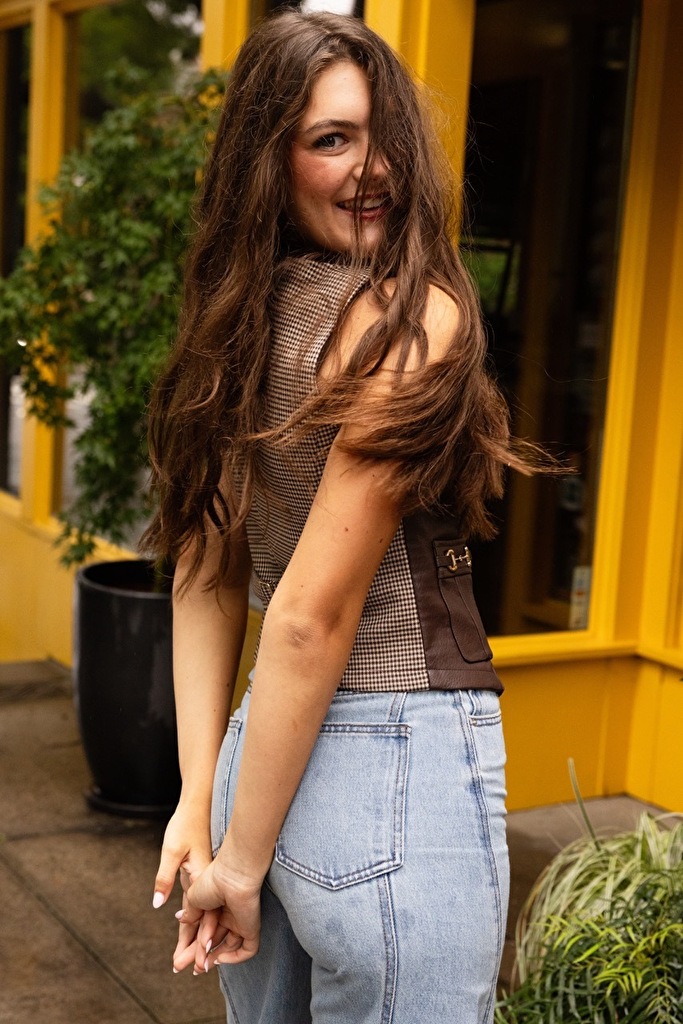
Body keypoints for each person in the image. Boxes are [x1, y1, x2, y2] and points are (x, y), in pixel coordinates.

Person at [144, 10, 543, 1023]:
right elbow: (307, 616)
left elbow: (208, 569)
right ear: (267, 163)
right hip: (393, 775)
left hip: (259, 763)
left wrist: (203, 799)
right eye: (330, 139)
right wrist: (234, 861)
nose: (375, 169)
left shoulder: (235, 321)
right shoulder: (405, 321)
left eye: (383, 136)